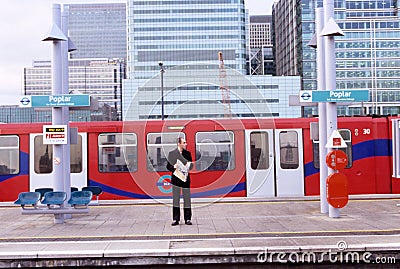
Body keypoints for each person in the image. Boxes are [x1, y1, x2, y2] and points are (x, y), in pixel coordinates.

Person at [166, 137, 193, 226]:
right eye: (184, 142)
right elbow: (168, 166)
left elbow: (191, 166)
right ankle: (176, 219)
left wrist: (188, 165)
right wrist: (173, 167)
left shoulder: (187, 154)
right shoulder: (172, 154)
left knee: (187, 199)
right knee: (176, 199)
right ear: (179, 143)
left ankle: (188, 218)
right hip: (176, 179)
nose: (186, 144)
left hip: (185, 179)